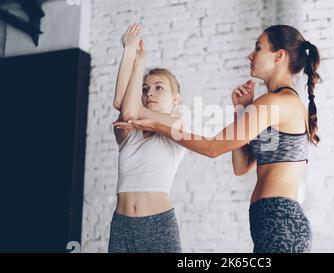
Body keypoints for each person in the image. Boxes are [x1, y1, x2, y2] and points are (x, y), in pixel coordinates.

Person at [115, 24, 321, 253]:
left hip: (281, 222)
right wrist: (242, 109)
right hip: (270, 220)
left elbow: (213, 148)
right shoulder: (271, 102)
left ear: (279, 55)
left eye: (258, 48)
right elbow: (241, 167)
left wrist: (157, 124)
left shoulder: (277, 102)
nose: (250, 55)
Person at [109, 23, 186, 253]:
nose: (149, 92)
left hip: (157, 226)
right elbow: (123, 105)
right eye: (145, 89)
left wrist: (138, 60)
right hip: (121, 225)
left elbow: (125, 106)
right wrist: (130, 51)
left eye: (159, 88)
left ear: (175, 99)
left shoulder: (177, 126)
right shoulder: (129, 130)